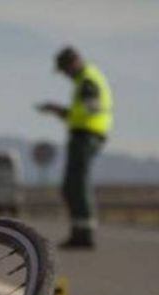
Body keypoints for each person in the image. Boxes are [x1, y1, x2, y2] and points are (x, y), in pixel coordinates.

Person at [37, 47, 113, 249]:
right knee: (72, 185)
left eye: (65, 69)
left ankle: (84, 234)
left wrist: (61, 111)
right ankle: (79, 232)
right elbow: (82, 111)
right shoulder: (84, 80)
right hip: (85, 133)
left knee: (77, 184)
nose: (65, 74)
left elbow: (90, 110)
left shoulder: (87, 80)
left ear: (74, 63)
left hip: (86, 135)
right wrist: (60, 111)